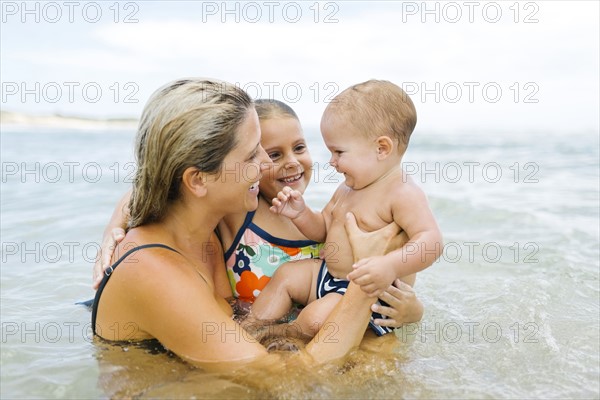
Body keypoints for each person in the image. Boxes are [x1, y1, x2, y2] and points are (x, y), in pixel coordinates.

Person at [91, 77, 400, 369]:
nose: (267, 165)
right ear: (198, 180)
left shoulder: (201, 232)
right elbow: (294, 383)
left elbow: (156, 179)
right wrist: (365, 281)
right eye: (253, 155)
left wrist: (118, 221)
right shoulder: (153, 270)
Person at [249, 80, 443, 337]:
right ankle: (249, 328)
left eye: (339, 152)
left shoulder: (402, 192)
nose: (332, 162)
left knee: (314, 321)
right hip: (328, 276)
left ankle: (278, 337)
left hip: (367, 292)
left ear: (381, 148)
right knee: (286, 275)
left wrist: (390, 266)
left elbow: (431, 242)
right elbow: (323, 229)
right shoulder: (347, 188)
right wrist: (301, 214)